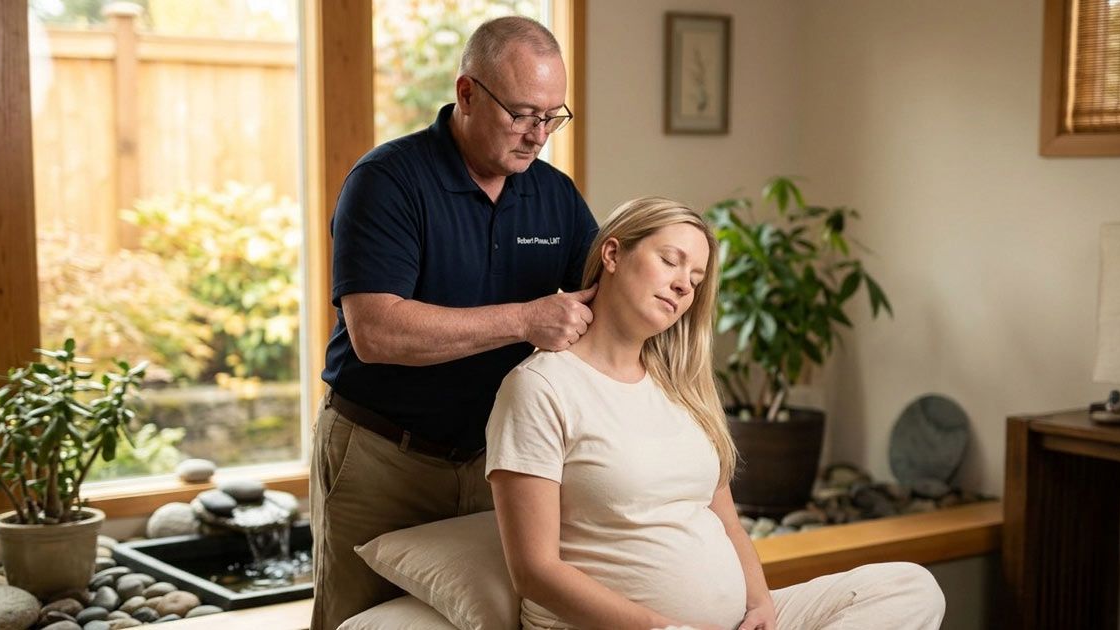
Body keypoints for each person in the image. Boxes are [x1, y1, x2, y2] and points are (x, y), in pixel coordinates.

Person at [486, 197, 946, 630]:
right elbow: (535, 571)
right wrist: (666, 629)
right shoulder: (541, 388)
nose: (684, 283)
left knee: (911, 587)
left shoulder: (680, 387)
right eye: (670, 260)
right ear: (612, 254)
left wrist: (762, 603)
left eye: (697, 277)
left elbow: (726, 521)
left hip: (731, 622)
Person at [310, 16, 599, 630]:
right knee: (360, 623)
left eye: (553, 116)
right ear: (467, 94)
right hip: (384, 456)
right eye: (522, 113)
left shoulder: (555, 194)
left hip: (500, 457)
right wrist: (527, 318)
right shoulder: (387, 182)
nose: (538, 134)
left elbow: (598, 307)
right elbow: (377, 332)